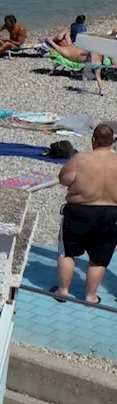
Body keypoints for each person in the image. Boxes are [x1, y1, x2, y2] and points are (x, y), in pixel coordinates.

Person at [55, 124, 117, 305]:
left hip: (79, 211)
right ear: (112, 142)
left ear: (93, 141)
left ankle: (63, 291)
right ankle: (90, 296)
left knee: (67, 253)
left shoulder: (81, 159)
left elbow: (63, 179)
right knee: (99, 259)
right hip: (110, 215)